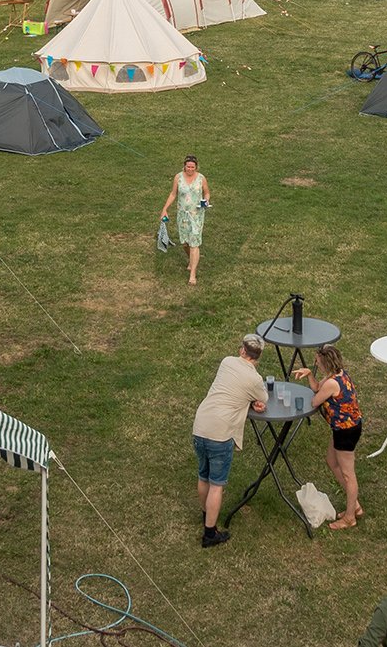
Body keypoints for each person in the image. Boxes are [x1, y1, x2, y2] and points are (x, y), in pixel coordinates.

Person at [191, 333, 268, 548]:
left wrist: (248, 400)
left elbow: (233, 388)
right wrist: (254, 402)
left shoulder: (226, 362)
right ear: (259, 356)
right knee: (217, 485)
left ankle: (206, 515)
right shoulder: (255, 379)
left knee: (203, 476)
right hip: (220, 433)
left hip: (201, 425)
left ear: (242, 350)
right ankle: (210, 533)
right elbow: (263, 398)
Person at [292, 343, 363, 530]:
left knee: (348, 474)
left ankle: (350, 517)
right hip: (342, 428)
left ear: (326, 362)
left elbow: (315, 401)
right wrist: (309, 374)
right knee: (331, 461)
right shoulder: (337, 374)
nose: (316, 363)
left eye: (318, 361)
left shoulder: (332, 383)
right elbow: (317, 388)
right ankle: (354, 505)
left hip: (346, 431)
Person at [160, 156, 212, 285]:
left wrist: (206, 200)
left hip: (196, 215)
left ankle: (192, 274)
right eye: (188, 167)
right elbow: (173, 194)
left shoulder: (201, 178)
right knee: (185, 243)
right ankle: (191, 259)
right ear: (184, 166)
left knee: (194, 244)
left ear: (196, 167)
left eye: (192, 167)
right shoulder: (178, 177)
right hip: (182, 215)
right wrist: (165, 209)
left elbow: (207, 192)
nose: (190, 169)